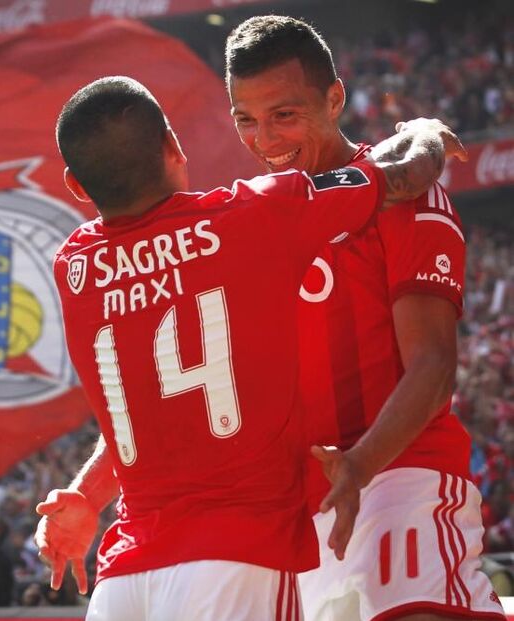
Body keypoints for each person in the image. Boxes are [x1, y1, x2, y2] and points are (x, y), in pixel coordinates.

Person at [44, 75, 458, 620]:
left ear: (76, 185)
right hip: (236, 557)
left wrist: (86, 495)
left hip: (123, 574)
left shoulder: (73, 266)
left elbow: (158, 396)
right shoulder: (253, 217)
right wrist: (426, 131)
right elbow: (401, 175)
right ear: (173, 145)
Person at [224, 17, 504, 621]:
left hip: (399, 479)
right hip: (303, 512)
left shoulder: (406, 198)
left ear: (334, 98)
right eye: (246, 118)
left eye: (285, 114)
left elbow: (432, 370)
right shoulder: (258, 216)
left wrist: (358, 465)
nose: (265, 138)